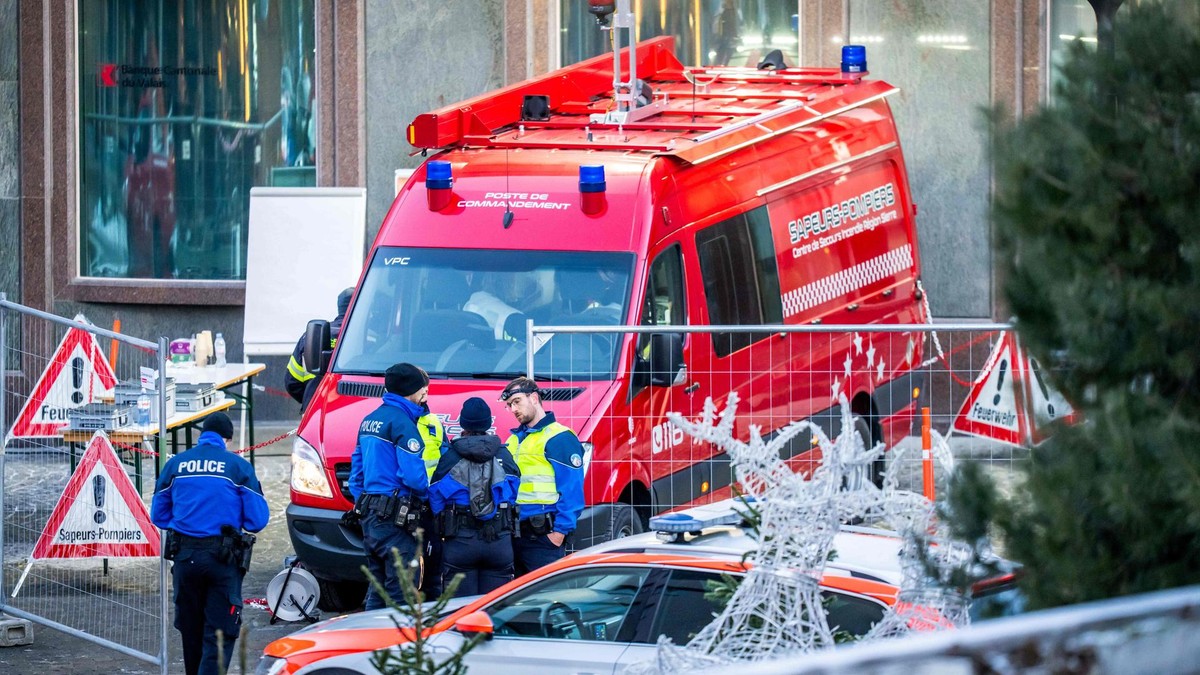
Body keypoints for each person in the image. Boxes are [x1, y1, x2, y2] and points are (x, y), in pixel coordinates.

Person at [151, 412, 268, 675]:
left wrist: (188, 521)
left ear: (201, 435)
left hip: (184, 558)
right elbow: (256, 521)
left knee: (191, 634)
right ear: (227, 438)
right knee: (218, 636)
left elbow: (159, 515)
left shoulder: (175, 464)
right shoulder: (237, 466)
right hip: (222, 560)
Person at [348, 363, 431, 610]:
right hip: (396, 517)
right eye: (422, 389)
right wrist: (425, 496)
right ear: (412, 390)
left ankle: (371, 643)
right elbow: (415, 479)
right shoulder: (402, 423)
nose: (425, 395)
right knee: (402, 592)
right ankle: (397, 646)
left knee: (378, 588)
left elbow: (356, 475)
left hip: (371, 515)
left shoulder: (369, 420)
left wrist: (366, 500)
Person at [429, 397, 520, 596]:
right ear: (488, 424)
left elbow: (435, 496)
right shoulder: (504, 456)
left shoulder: (450, 457)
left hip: (460, 541)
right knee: (494, 609)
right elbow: (513, 494)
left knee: (460, 611)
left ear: (463, 423)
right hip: (499, 540)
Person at [501, 377, 586, 575]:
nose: (513, 410)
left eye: (516, 402)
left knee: (548, 597)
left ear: (534, 398)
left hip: (544, 534)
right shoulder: (514, 439)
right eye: (509, 405)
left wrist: (559, 533)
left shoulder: (559, 437)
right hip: (515, 532)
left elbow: (572, 489)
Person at [285, 287, 354, 409]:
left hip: (313, 410)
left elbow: (292, 381)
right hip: (350, 409)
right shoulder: (367, 339)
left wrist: (311, 398)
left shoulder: (310, 336)